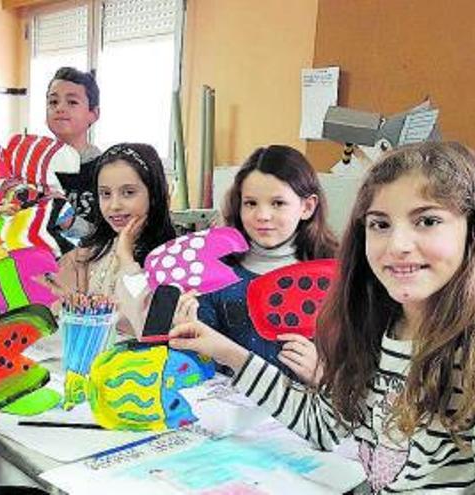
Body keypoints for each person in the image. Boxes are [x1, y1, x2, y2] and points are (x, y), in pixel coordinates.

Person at [170, 142, 475, 493]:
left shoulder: (466, 350)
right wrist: (227, 351)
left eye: (427, 221)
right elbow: (325, 425)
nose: (397, 245)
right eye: (380, 224)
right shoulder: (374, 329)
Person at [196, 145, 338, 384]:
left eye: (278, 203)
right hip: (230, 413)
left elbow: (360, 366)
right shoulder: (215, 272)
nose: (262, 215)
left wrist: (324, 375)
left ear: (307, 207)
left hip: (304, 415)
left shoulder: (337, 276)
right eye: (251, 203)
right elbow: (197, 358)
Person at [55, 143, 179, 338]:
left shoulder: (173, 260)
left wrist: (127, 259)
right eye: (105, 193)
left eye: (128, 192)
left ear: (154, 195)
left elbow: (153, 331)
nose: (114, 205)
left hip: (138, 365)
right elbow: (50, 300)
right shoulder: (90, 251)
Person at [48, 67, 101, 237]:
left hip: (87, 261)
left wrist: (68, 220)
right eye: (53, 102)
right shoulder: (33, 168)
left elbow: (110, 236)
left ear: (93, 114)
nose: (60, 108)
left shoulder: (105, 170)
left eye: (72, 102)